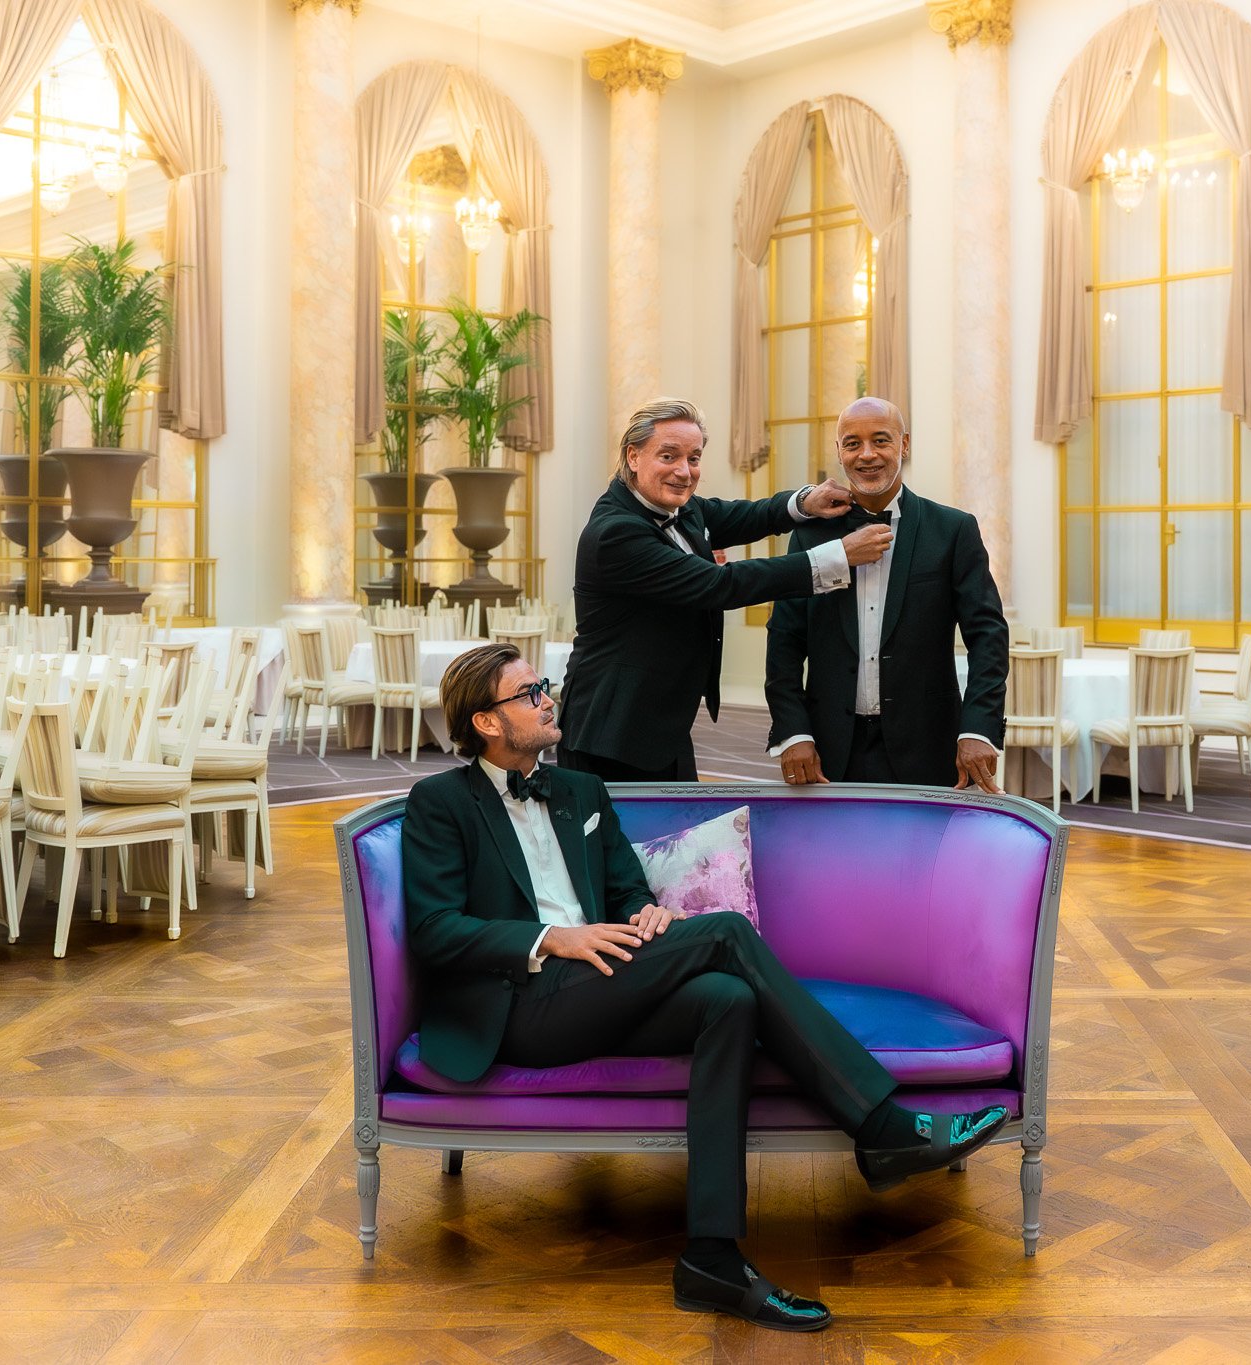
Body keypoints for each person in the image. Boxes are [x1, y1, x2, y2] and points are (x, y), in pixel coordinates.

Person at [402, 644, 1010, 1331]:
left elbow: (625, 882)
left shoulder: (579, 790)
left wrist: (644, 909)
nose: (548, 698)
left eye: (543, 685)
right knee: (722, 934)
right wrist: (550, 939)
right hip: (520, 1005)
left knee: (730, 1000)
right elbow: (434, 929)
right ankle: (880, 1126)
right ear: (486, 721)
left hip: (600, 985)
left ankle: (712, 1261)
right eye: (529, 692)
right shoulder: (440, 803)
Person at [557, 398, 894, 781]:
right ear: (633, 456)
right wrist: (838, 556)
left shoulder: (683, 508)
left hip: (661, 725)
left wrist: (804, 502)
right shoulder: (616, 534)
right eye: (669, 457)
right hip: (609, 730)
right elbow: (719, 585)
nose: (684, 472)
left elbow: (744, 515)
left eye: (694, 458)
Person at [765, 397, 1009, 789]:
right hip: (827, 748)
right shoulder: (810, 535)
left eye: (881, 440)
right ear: (839, 452)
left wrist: (978, 728)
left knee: (923, 852)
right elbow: (784, 641)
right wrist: (793, 733)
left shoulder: (953, 530)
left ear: (904, 445)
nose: (867, 455)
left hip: (929, 744)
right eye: (852, 443)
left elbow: (989, 637)